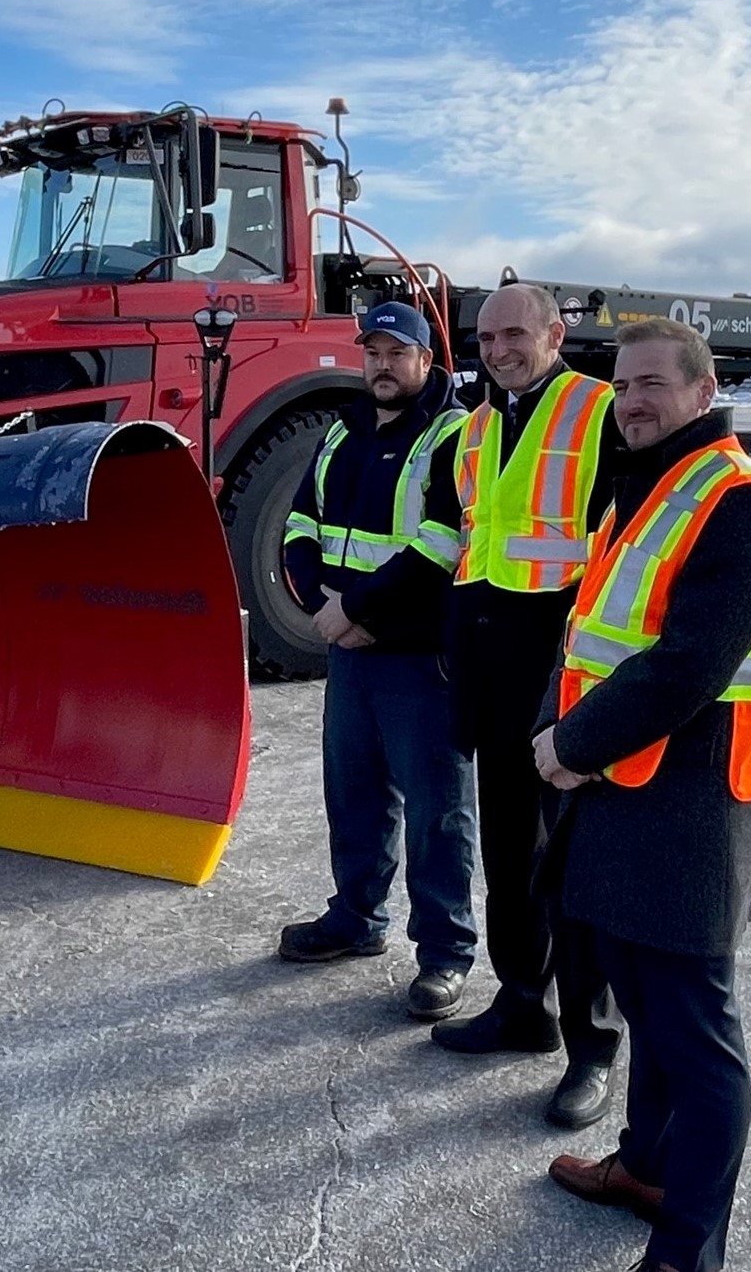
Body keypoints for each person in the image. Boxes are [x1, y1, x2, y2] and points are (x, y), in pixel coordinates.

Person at [533, 316, 751, 1272]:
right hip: (620, 794)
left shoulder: (738, 501)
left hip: (691, 808)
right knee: (646, 1005)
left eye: (653, 383)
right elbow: (598, 636)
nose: (634, 400)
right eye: (623, 385)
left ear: (703, 387)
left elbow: (691, 663)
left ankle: (688, 1250)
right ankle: (644, 1168)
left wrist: (569, 746)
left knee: (695, 1033)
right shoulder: (650, 488)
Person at [423, 282, 628, 1129]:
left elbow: (628, 545)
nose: (497, 346)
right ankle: (521, 1004)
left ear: (556, 333)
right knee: (510, 854)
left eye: (514, 333)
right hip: (491, 665)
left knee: (576, 869)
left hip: (568, 667)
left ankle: (593, 1052)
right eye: (485, 335)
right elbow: (461, 543)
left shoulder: (602, 413)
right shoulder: (473, 428)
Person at [277, 301, 481, 1023]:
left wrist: (355, 612)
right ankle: (356, 920)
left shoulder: (455, 434)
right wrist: (320, 611)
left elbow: (440, 545)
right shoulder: (343, 430)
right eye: (373, 352)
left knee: (437, 812)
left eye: (399, 352)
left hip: (419, 658)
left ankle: (445, 955)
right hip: (350, 654)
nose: (383, 365)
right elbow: (299, 526)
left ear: (428, 360)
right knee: (354, 796)